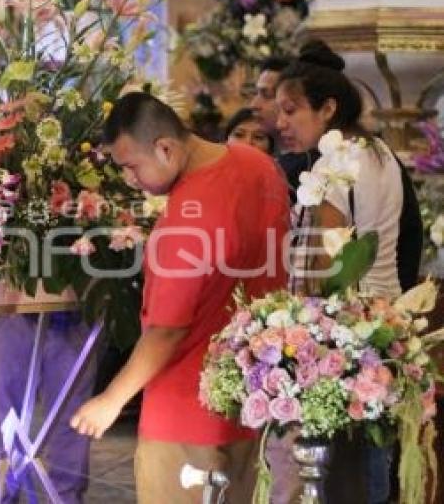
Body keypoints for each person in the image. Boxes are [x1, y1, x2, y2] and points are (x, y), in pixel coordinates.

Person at [70, 92, 290, 504]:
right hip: (253, 401)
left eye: (131, 166)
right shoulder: (259, 165)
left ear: (166, 148)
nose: (131, 180)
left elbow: (167, 332)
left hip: (186, 414)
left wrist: (110, 400)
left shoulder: (187, 220)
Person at [272, 40, 422, 504]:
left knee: (340, 478)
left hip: (346, 334)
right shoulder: (379, 151)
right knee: (376, 471)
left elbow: (328, 267)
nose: (280, 123)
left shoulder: (334, 164)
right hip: (387, 326)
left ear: (328, 108)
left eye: (291, 111)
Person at [0, 310, 98, 503]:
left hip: (73, 316)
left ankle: (63, 499)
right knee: (4, 428)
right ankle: (1, 496)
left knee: (71, 424)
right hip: (13, 311)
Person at [249, 56, 319, 202]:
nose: (254, 105)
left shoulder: (311, 164)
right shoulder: (264, 154)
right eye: (256, 94)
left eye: (266, 95)